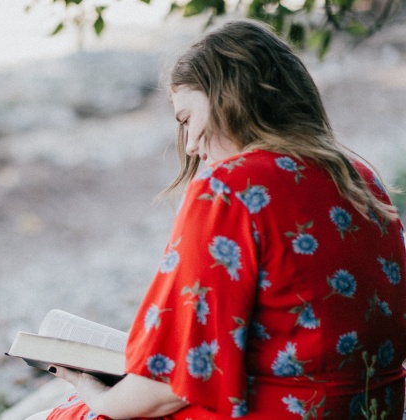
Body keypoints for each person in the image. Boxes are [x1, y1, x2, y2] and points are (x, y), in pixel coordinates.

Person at [27, 18, 406, 419]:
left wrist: (96, 395)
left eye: (187, 119)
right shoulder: (360, 178)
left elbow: (172, 382)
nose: (189, 146)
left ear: (229, 97)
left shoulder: (231, 187)